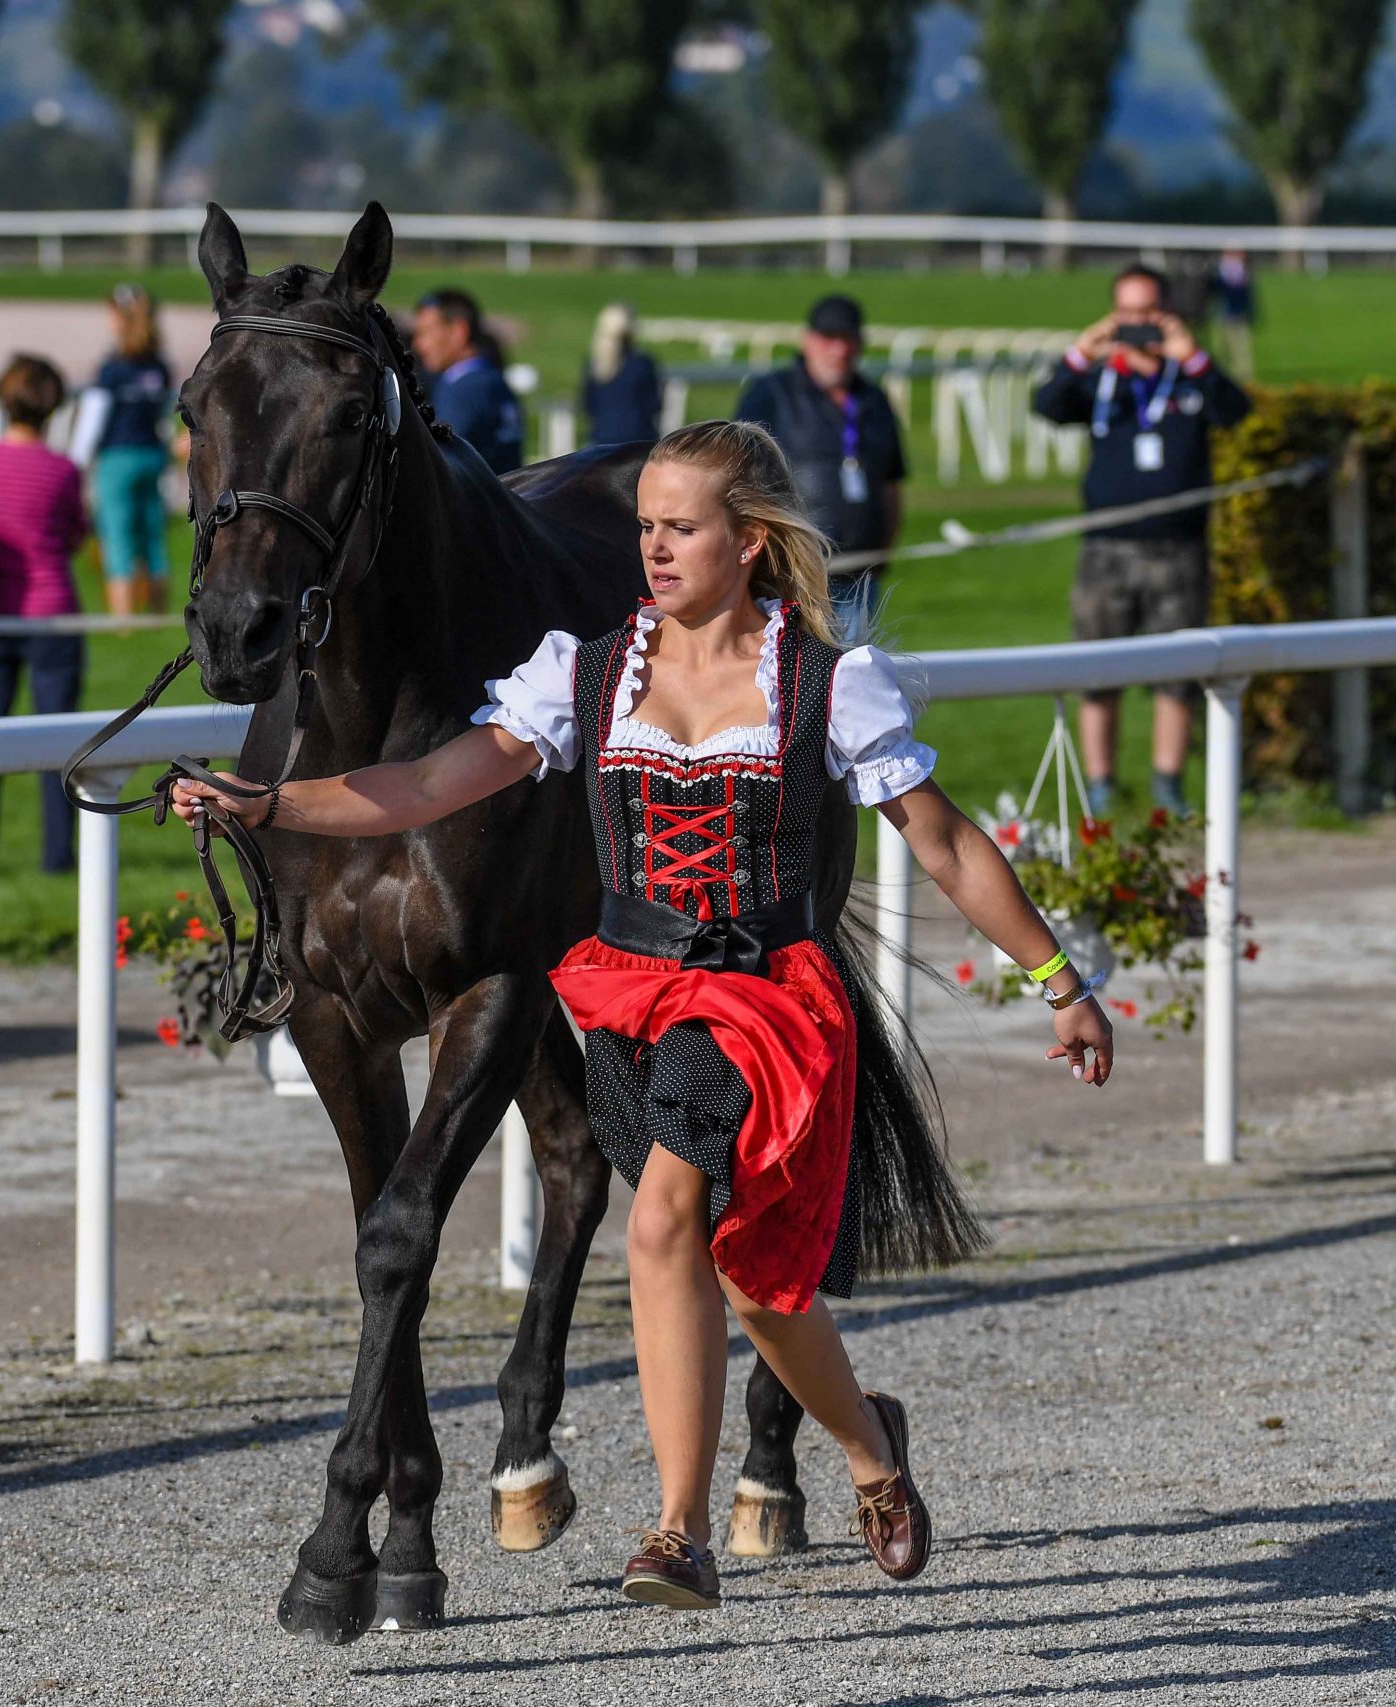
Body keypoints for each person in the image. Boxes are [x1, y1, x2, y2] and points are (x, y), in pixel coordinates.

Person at [171, 419, 1111, 1613]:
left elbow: (944, 839)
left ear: (751, 541)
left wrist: (1058, 983)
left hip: (761, 1000)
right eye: (645, 528)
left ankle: (674, 1531)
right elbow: (426, 785)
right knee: (755, 1283)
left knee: (663, 1222)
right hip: (622, 997)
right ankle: (870, 1443)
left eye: (680, 529)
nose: (652, 551)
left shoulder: (824, 682)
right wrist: (269, 802)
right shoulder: (584, 669)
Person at [1030, 262, 1253, 815]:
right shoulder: (1100, 379)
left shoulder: (1190, 374)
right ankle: (1101, 787)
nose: (1137, 325)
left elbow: (1236, 411)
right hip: (1107, 548)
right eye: (1125, 313)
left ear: (1168, 312)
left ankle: (1167, 787)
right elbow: (1048, 405)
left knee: (1177, 673)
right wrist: (1082, 352)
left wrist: (1192, 356)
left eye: (1147, 312)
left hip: (1179, 548)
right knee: (1097, 670)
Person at [0, 355, 89, 876]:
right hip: (54, 613)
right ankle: (59, 859)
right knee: (59, 750)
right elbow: (75, 533)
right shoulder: (63, 470)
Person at [734, 294, 906, 643]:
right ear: (807, 340)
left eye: (847, 340)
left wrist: (885, 547)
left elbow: (891, 481)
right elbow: (738, 478)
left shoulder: (875, 401)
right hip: (795, 576)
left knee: (851, 680)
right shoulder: (771, 394)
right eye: (829, 339)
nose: (839, 351)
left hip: (861, 576)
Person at [69, 283, 173, 616]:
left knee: (118, 540)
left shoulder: (112, 369)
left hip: (117, 458)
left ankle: (123, 619)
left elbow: (92, 423)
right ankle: (158, 613)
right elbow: (164, 416)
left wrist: (75, 466)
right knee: (152, 538)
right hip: (152, 456)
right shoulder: (158, 366)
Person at [409, 287, 524, 475]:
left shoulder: (463, 388)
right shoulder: (491, 377)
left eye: (425, 333)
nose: (418, 345)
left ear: (457, 332)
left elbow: (440, 464)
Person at [581, 301, 663, 445]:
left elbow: (588, 404)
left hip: (601, 438)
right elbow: (654, 403)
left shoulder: (593, 363)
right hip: (638, 440)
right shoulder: (642, 363)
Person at [1207, 248, 1257, 382]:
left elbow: (1249, 296)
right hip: (1222, 314)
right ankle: (1219, 374)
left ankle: (1243, 377)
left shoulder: (1242, 272)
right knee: (1220, 347)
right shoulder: (1220, 271)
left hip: (1237, 313)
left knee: (1240, 348)